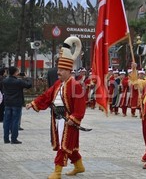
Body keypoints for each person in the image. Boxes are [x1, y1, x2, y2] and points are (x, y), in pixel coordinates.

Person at [26, 36, 86, 179]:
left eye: (61, 70)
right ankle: (79, 166)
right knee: (66, 144)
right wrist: (34, 103)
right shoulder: (58, 84)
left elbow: (80, 105)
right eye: (58, 69)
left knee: (64, 146)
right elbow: (47, 96)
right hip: (57, 119)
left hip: (68, 121)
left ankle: (57, 172)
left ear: (68, 70)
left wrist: (75, 118)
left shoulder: (76, 85)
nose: (58, 72)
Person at [2, 67, 32, 144]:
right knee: (15, 121)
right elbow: (29, 85)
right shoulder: (18, 82)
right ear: (15, 72)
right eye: (17, 71)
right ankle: (14, 139)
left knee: (7, 121)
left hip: (8, 103)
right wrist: (27, 78)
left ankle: (6, 138)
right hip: (16, 103)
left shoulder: (4, 81)